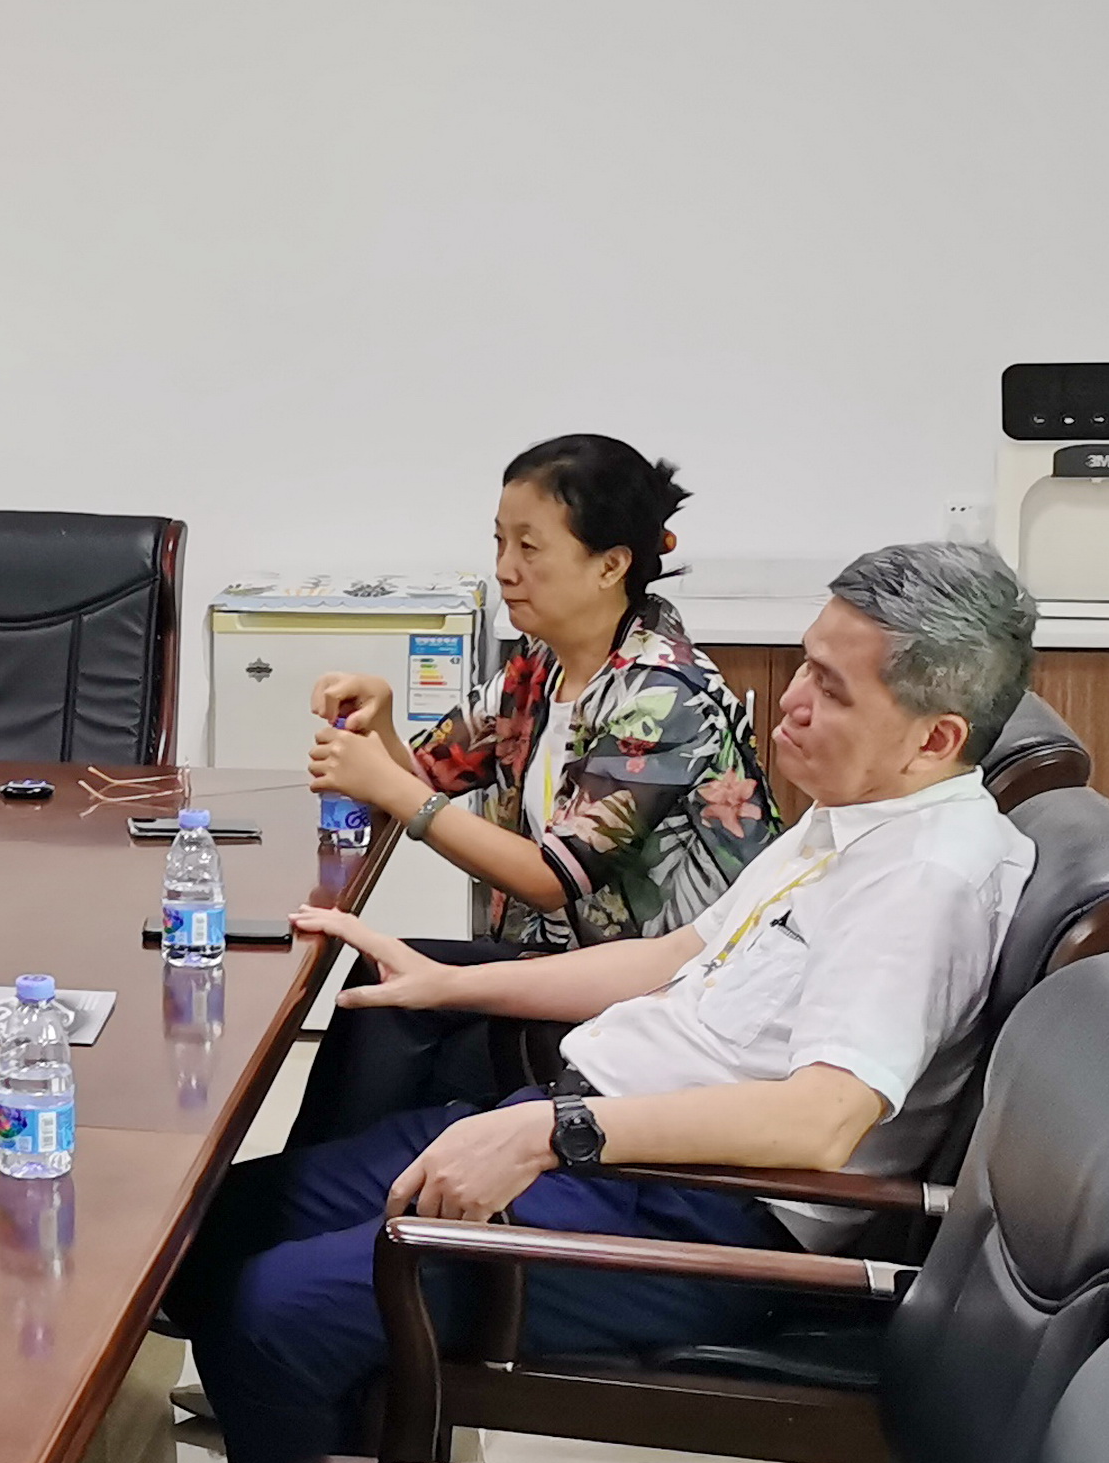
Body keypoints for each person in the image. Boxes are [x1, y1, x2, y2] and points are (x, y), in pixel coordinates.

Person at [134, 543, 1040, 1463]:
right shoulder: (852, 816)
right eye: (805, 665)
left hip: (693, 1210)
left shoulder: (927, 881)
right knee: (223, 1223)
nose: (791, 703)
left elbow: (821, 1121)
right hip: (598, 1139)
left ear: (936, 738)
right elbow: (674, 956)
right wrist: (449, 983)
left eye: (831, 688)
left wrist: (553, 1132)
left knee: (275, 1309)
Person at [294, 435, 775, 1145]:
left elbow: (551, 877)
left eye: (529, 547)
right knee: (384, 987)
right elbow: (427, 776)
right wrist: (384, 725)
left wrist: (389, 786)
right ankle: (321, 1186)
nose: (505, 569)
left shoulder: (664, 694)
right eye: (499, 542)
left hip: (657, 995)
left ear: (610, 565)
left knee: (398, 1015)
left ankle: (319, 1189)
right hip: (559, 967)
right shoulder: (539, 666)